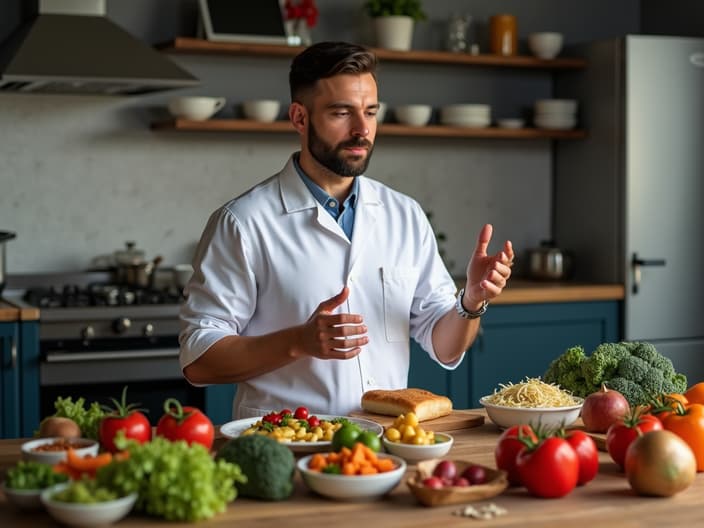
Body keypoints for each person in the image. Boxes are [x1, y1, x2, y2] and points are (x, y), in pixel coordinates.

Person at [179, 41, 514, 419]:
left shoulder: (404, 215)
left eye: (370, 112)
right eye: (342, 112)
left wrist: (470, 301)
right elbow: (199, 360)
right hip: (286, 447)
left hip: (386, 448)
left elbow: (446, 347)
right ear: (299, 118)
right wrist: (298, 342)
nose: (361, 129)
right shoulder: (243, 222)